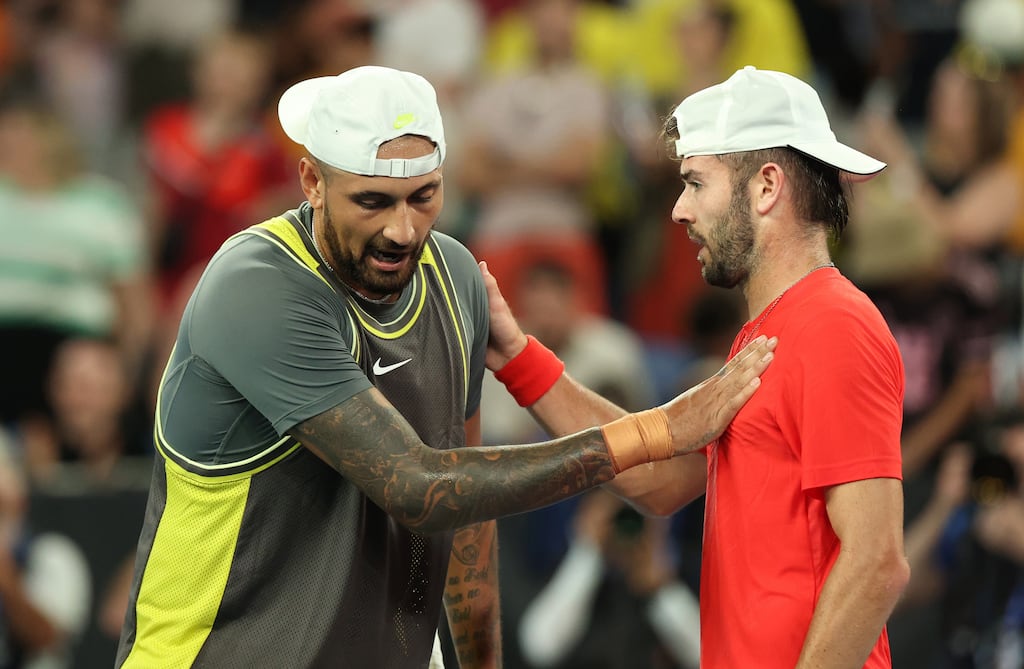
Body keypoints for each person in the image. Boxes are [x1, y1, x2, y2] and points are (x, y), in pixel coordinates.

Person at [113, 65, 776, 669]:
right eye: (373, 201)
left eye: (423, 197)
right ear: (312, 180)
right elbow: (418, 486)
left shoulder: (454, 273)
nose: (403, 230)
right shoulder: (256, 285)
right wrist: (658, 429)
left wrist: (481, 661)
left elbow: (464, 501)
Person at [484, 66, 909, 668]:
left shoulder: (833, 326)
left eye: (695, 183)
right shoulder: (767, 335)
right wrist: (516, 357)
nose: (679, 210)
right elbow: (657, 483)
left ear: (766, 188)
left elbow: (877, 563)